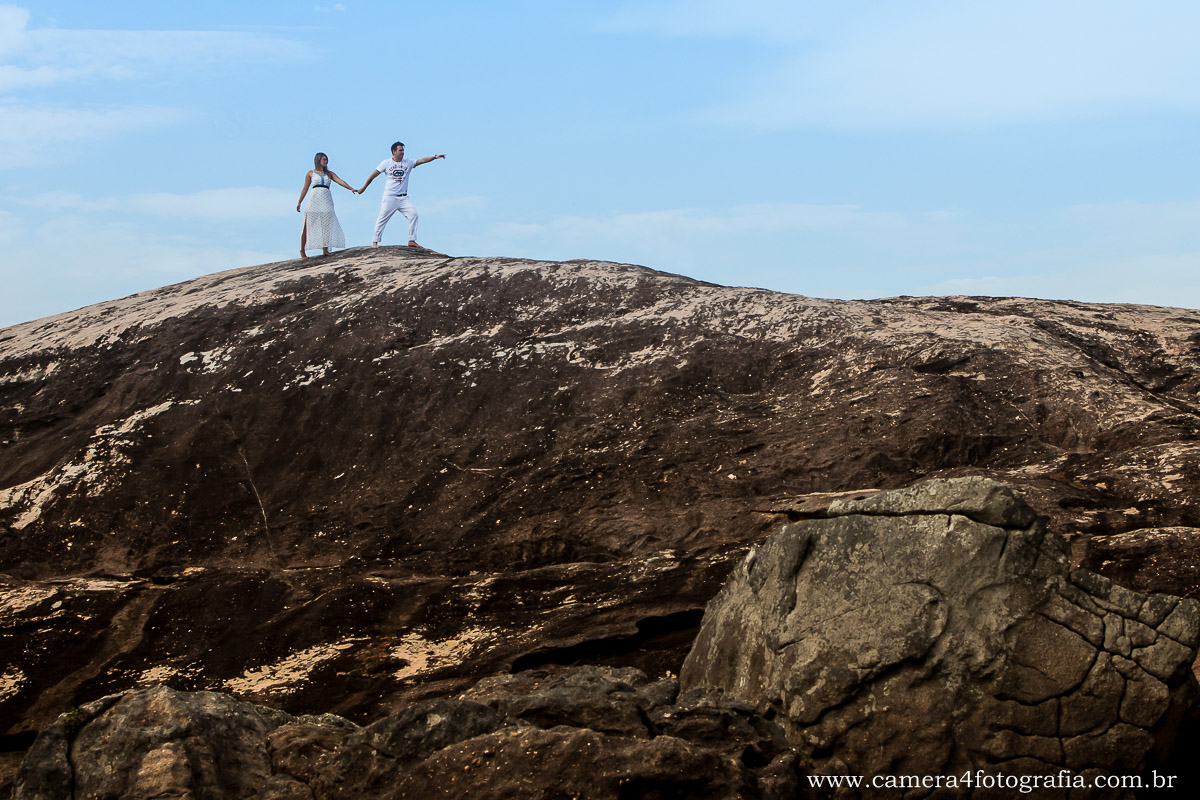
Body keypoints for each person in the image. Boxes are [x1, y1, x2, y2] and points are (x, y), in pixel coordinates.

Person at [359, 141, 446, 249]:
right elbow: (373, 176)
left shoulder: (408, 162)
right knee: (382, 218)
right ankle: (375, 242)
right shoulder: (386, 163)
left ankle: (412, 240)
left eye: (403, 150)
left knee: (413, 214)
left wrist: (434, 157)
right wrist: (363, 188)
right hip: (390, 197)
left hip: (404, 197)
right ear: (394, 151)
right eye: (400, 150)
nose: (402, 152)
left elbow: (422, 160)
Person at [297, 153, 357, 258]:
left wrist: (350, 188)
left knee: (326, 226)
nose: (326, 161)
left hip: (326, 199)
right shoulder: (311, 173)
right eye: (324, 159)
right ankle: (302, 250)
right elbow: (305, 188)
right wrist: (300, 202)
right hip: (314, 199)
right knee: (307, 226)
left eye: (326, 160)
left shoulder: (329, 174)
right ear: (318, 160)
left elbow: (340, 181)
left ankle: (325, 249)